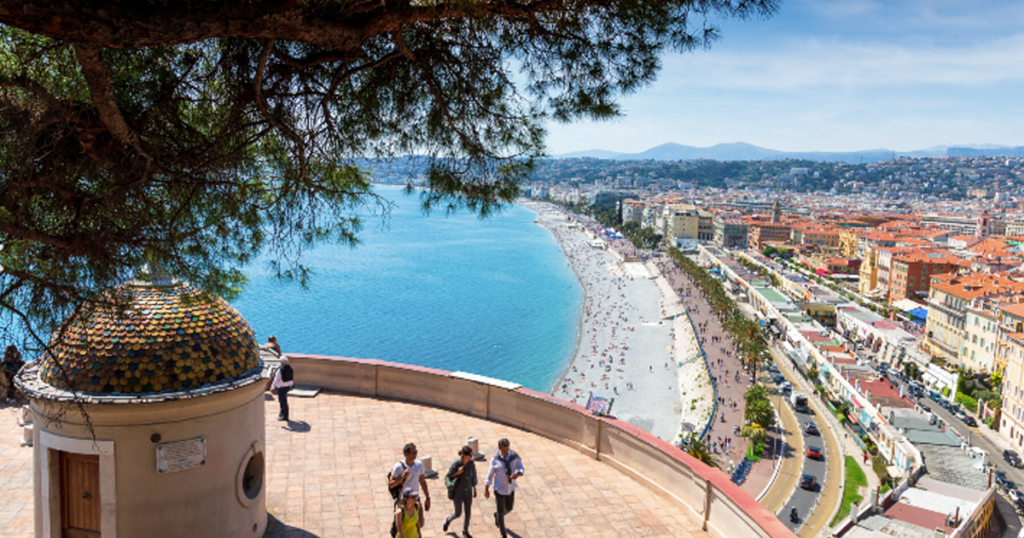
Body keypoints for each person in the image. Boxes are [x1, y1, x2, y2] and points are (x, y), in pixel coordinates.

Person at [484, 438, 525, 538]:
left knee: (509, 508)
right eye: (503, 450)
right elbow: (490, 475)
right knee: (501, 511)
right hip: (499, 489)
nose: (505, 452)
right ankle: (503, 533)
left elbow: (521, 467)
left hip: (510, 488)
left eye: (507, 449)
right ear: (499, 448)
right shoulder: (495, 460)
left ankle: (497, 515)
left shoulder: (514, 457)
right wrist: (486, 489)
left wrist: (517, 474)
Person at [443, 445, 478, 538]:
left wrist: (474, 488)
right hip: (458, 493)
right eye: (470, 455)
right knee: (458, 513)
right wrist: (457, 473)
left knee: (468, 512)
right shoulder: (456, 464)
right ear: (464, 455)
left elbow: (473, 476)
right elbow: (449, 477)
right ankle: (448, 519)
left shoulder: (471, 464)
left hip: (468, 492)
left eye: (472, 455)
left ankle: (464, 531)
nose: (471, 457)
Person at [390, 443, 432, 513]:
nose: (415, 454)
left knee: (419, 523)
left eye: (416, 452)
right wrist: (402, 477)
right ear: (406, 454)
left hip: (415, 499)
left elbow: (423, 482)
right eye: (413, 452)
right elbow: (391, 484)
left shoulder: (419, 465)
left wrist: (427, 498)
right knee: (402, 522)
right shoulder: (398, 467)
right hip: (404, 501)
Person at [269, 356, 294, 421]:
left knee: (282, 401)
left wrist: (272, 388)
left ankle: (285, 415)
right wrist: (290, 385)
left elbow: (276, 380)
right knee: (283, 400)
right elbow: (291, 378)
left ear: (282, 363)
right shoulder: (290, 368)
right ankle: (282, 412)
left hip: (281, 387)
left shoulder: (280, 370)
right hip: (287, 387)